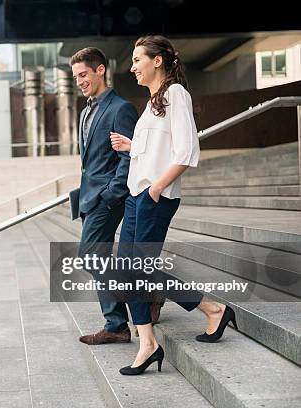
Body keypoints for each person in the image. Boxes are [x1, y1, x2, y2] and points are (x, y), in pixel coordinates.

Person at [110, 35, 236, 375]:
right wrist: (132, 145)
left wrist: (157, 188)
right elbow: (156, 150)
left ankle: (165, 336)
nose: (132, 66)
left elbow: (187, 150)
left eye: (138, 59)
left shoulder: (176, 94)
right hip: (137, 197)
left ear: (158, 61)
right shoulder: (153, 103)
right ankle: (204, 313)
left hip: (155, 198)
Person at [68, 47, 140, 346]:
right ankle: (147, 297)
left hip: (107, 197)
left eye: (83, 74)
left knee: (91, 256)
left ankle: (117, 323)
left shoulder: (120, 108)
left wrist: (111, 195)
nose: (79, 81)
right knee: (96, 257)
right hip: (90, 197)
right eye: (75, 77)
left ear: (100, 70)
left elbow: (127, 156)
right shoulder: (86, 111)